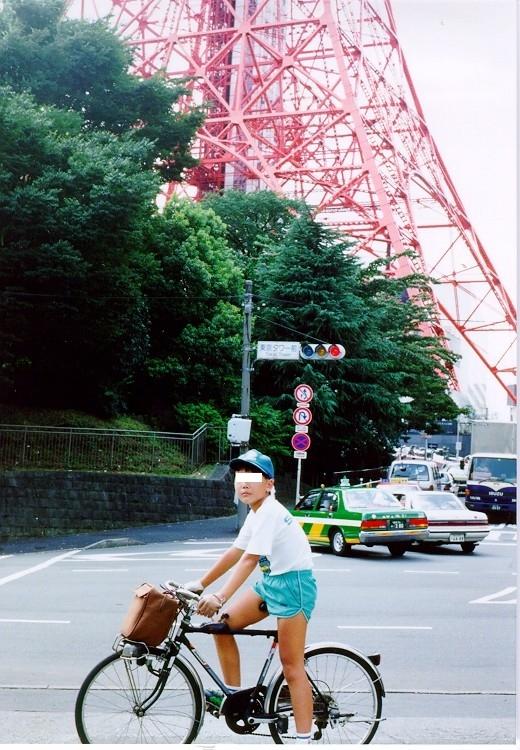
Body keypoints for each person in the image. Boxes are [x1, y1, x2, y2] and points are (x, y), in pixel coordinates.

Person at [182, 448, 317, 743]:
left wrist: (219, 596)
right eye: (240, 477)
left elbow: (249, 560)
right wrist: (200, 584)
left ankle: (304, 740)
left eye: (253, 477)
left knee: (292, 666)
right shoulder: (256, 515)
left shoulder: (270, 512)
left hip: (294, 586)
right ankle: (235, 696)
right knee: (222, 625)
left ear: (269, 484)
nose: (244, 483)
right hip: (271, 583)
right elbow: (235, 552)